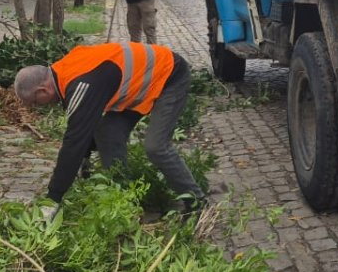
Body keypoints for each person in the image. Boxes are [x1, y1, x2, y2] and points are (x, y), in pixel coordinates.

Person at [14, 42, 206, 216]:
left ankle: (196, 203)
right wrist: (86, 160)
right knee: (107, 133)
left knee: (156, 147)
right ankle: (124, 202)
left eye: (35, 102)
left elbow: (74, 143)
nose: (39, 107)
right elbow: (83, 127)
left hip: (169, 75)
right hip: (138, 86)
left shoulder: (81, 83)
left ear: (43, 90)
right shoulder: (63, 72)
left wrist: (53, 198)